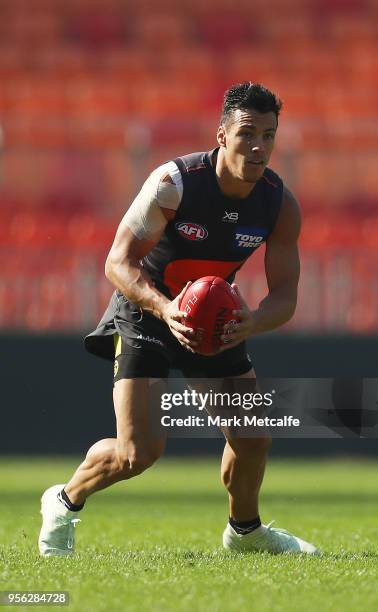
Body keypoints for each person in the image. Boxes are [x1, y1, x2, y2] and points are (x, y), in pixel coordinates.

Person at [38, 82, 320, 556]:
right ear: (222, 136)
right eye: (247, 133)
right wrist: (166, 309)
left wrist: (250, 322)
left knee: (254, 437)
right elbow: (118, 263)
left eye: (269, 135)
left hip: (215, 318)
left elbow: (286, 296)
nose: (259, 146)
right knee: (138, 453)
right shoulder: (176, 183)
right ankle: (64, 501)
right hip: (147, 310)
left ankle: (245, 533)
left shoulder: (278, 203)